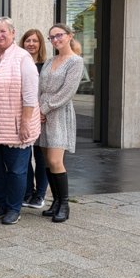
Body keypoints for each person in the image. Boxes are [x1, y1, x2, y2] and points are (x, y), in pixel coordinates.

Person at [0, 17, 41, 225]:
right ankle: (1, 204)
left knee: (16, 171)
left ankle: (14, 208)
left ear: (13, 33)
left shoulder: (23, 57)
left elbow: (31, 94)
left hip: (15, 127)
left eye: (3, 31)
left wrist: (25, 123)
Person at [38, 24, 84, 223]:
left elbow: (68, 92)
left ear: (69, 36)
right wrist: (37, 111)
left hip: (57, 112)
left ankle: (64, 204)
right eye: (51, 37)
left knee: (56, 160)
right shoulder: (49, 61)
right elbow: (40, 87)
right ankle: (55, 202)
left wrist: (45, 108)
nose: (55, 40)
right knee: (47, 161)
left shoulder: (75, 61)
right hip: (42, 114)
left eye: (59, 36)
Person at [20, 28, 49, 209]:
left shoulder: (46, 66)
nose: (31, 44)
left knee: (40, 156)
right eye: (28, 40)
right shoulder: (19, 63)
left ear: (40, 44)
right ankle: (28, 192)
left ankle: (40, 195)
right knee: (24, 157)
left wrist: (42, 111)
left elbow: (47, 91)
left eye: (35, 41)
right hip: (24, 115)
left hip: (42, 117)